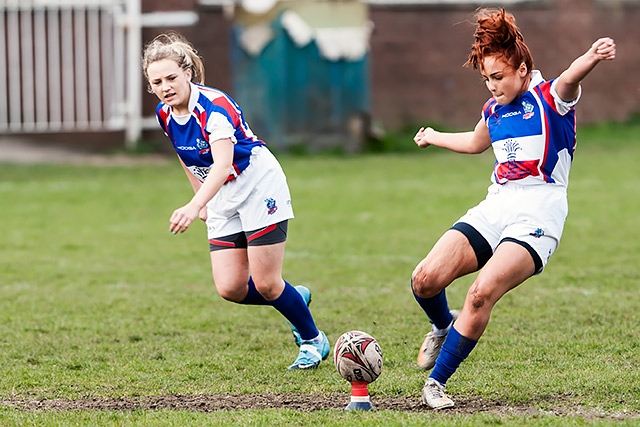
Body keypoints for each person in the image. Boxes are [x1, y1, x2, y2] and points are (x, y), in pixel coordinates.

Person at [411, 8, 615, 409]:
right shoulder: (494, 109)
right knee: (425, 279)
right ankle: (441, 326)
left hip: (538, 214)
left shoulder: (551, 100)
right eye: (486, 79)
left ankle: (436, 384)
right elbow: (474, 143)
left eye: (498, 77)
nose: (491, 86)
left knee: (480, 294)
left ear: (522, 70)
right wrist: (433, 136)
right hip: (496, 206)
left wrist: (591, 56)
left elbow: (571, 77)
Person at [142, 32, 330, 370]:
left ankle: (313, 341)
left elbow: (223, 163)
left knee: (268, 283)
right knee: (230, 287)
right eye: (157, 82)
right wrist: (199, 199)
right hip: (221, 191)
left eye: (171, 77)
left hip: (257, 184)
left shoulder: (214, 107)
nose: (165, 86)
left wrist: (195, 205)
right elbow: (188, 159)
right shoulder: (165, 114)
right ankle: (294, 298)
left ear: (188, 72)